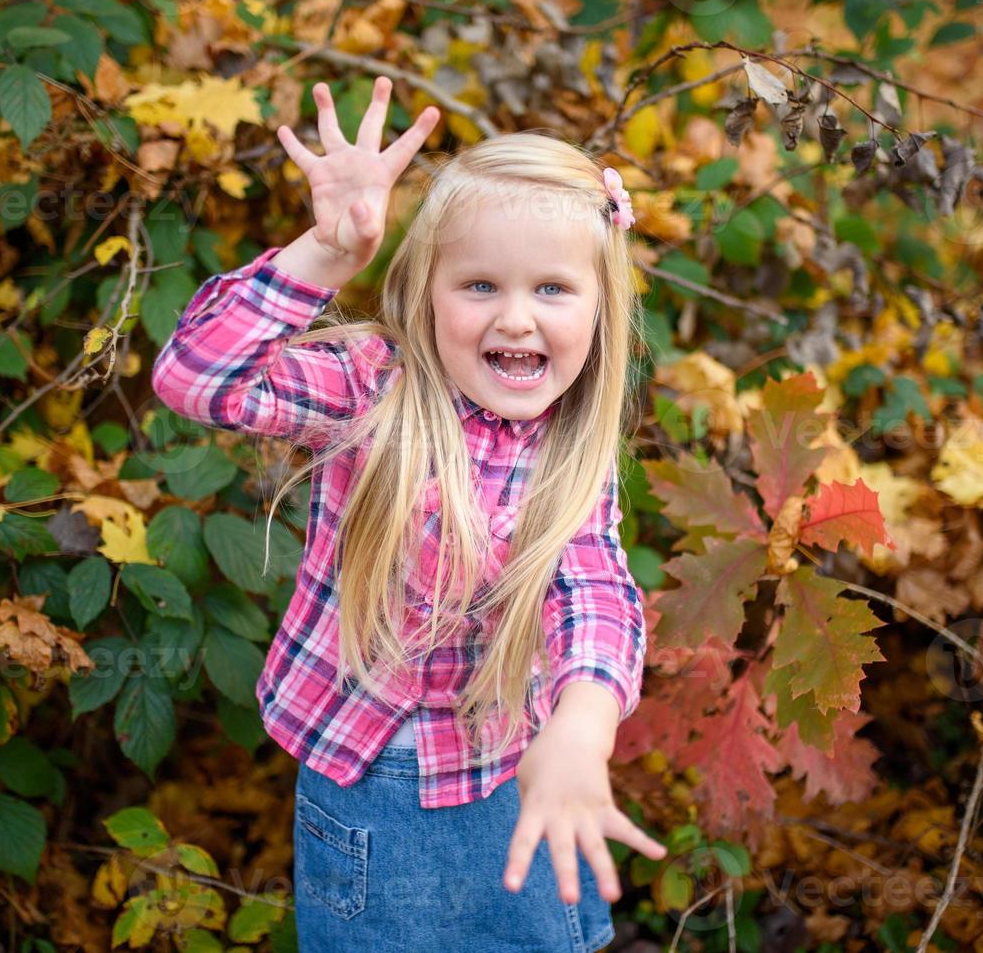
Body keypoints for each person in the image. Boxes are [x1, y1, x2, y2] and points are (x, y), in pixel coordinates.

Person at [151, 74, 666, 952]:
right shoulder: (372, 387)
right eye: (478, 286)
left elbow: (595, 591)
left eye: (551, 289)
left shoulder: (572, 451)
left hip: (519, 780)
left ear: (600, 310)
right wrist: (325, 253)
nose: (516, 318)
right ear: (427, 290)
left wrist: (582, 727)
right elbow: (198, 378)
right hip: (365, 788)